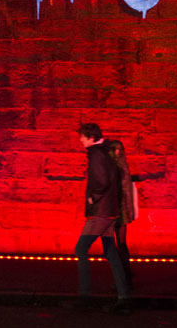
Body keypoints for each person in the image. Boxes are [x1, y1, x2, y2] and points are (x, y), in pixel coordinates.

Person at [74, 123, 131, 314]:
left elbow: (103, 181)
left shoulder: (96, 153)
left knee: (81, 249)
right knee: (111, 253)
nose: (80, 140)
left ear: (90, 137)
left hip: (100, 211)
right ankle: (124, 297)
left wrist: (93, 197)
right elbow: (115, 176)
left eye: (82, 136)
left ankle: (85, 296)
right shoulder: (106, 152)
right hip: (111, 210)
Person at [106, 138, 137, 289]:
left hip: (116, 210)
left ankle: (123, 278)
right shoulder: (122, 166)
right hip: (121, 210)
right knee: (121, 244)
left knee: (117, 245)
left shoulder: (116, 169)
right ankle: (126, 275)